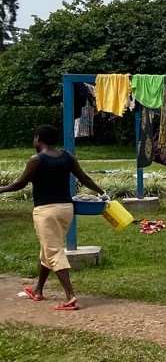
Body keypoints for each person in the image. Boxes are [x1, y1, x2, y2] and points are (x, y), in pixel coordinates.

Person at [0, 125, 106, 310]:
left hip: (45, 211)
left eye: (34, 139)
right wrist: (102, 193)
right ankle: (38, 289)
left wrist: (1, 189)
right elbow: (85, 178)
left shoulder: (36, 160)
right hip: (66, 209)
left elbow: (21, 183)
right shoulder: (67, 157)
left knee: (53, 250)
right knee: (48, 249)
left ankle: (70, 296)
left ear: (38, 139)